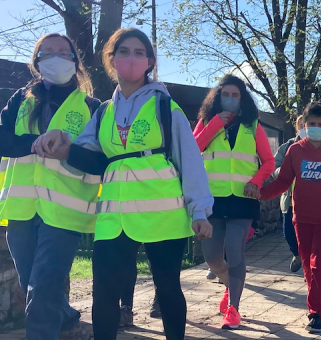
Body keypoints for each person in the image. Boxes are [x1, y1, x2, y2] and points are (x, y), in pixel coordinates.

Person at [31, 28, 214, 340]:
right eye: (123, 51)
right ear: (111, 60)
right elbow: (83, 151)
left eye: (139, 52)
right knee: (103, 293)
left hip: (163, 216)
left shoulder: (164, 107)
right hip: (114, 219)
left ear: (150, 62)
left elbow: (190, 160)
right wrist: (60, 138)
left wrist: (200, 210)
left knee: (168, 287)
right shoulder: (103, 111)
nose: (131, 57)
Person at [0, 33, 100, 340]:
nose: (55, 57)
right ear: (37, 62)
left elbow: (99, 162)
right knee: (33, 281)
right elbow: (4, 140)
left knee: (43, 287)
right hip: (22, 209)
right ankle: (67, 316)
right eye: (47, 52)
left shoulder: (92, 107)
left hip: (64, 211)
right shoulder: (20, 99)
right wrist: (36, 142)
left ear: (75, 61)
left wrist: (68, 149)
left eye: (63, 52)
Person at [260, 101, 321, 333]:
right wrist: (260, 194)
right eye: (311, 123)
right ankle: (316, 306)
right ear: (304, 124)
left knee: (319, 264)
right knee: (308, 267)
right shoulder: (295, 150)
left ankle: (317, 313)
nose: (315, 127)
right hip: (301, 218)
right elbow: (282, 182)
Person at [193, 74, 275, 329]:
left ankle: (234, 308)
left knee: (236, 252)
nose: (230, 99)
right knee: (213, 258)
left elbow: (269, 161)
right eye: (225, 95)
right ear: (218, 98)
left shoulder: (253, 126)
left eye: (235, 95)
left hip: (242, 198)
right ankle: (229, 286)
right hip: (212, 199)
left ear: (243, 100)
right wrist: (215, 124)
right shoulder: (206, 122)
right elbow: (193, 150)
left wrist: (257, 182)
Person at [273, 115, 305, 272]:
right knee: (288, 233)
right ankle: (297, 254)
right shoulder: (287, 146)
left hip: (312, 200)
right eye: (301, 124)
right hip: (290, 199)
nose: (304, 126)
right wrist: (284, 172)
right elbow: (274, 166)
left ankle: (308, 266)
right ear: (297, 126)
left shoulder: (320, 145)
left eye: (308, 123)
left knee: (309, 236)